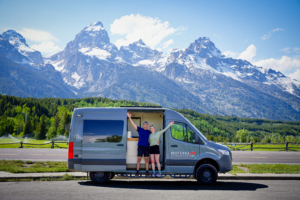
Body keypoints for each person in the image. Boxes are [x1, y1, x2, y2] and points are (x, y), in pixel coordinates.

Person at [127, 112, 151, 177]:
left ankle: (147, 172)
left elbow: (154, 136)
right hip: (140, 146)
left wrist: (157, 141)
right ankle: (137, 172)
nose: (145, 125)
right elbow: (133, 124)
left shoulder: (149, 131)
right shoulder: (140, 129)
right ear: (143, 125)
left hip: (146, 147)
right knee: (139, 159)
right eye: (144, 124)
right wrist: (129, 117)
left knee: (146, 160)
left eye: (146, 124)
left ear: (148, 125)